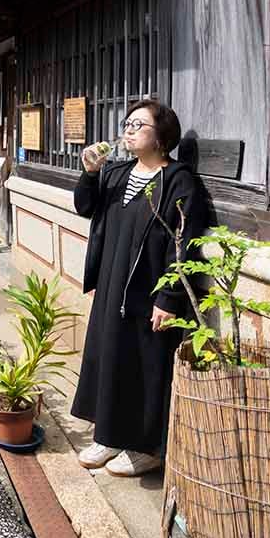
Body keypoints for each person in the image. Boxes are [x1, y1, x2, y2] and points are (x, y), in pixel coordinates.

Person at [70, 98, 207, 477]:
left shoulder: (177, 179)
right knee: (110, 357)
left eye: (138, 125)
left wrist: (169, 297)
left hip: (150, 288)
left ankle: (146, 447)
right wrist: (89, 174)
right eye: (127, 124)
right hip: (112, 281)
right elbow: (84, 207)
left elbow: (184, 240)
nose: (128, 131)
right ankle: (108, 436)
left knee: (144, 364)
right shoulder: (115, 173)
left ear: (161, 135)